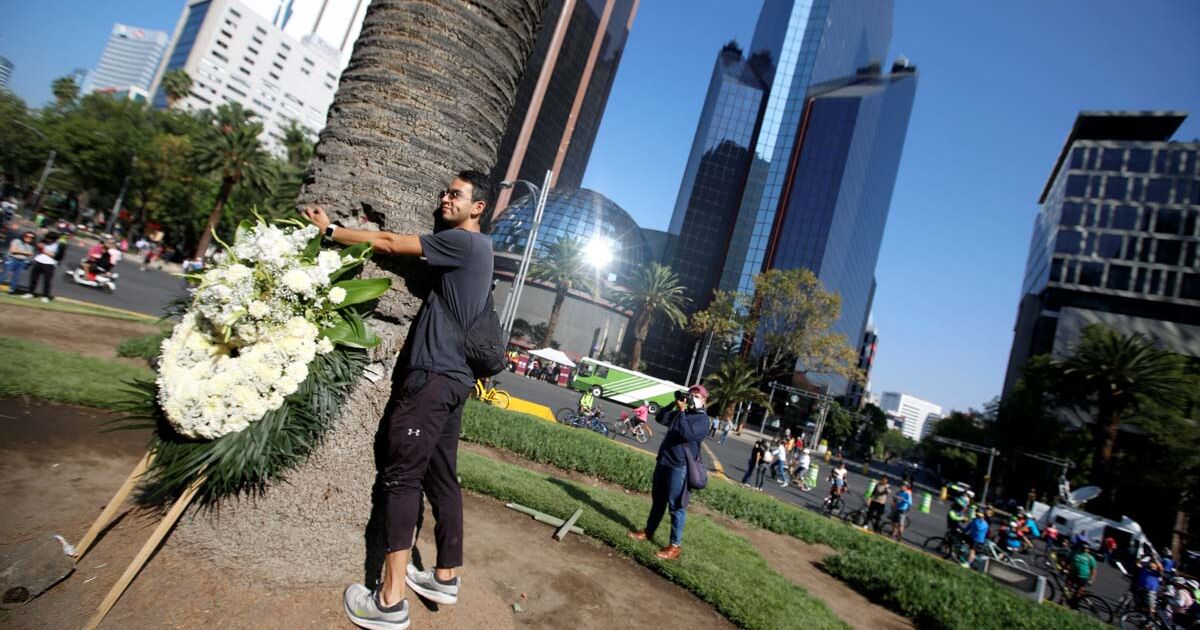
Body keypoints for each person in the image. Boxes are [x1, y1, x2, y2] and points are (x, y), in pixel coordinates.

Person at [304, 171, 495, 630]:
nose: (445, 198)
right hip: (454, 382)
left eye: (456, 194)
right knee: (442, 476)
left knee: (401, 478)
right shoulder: (480, 251)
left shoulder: (464, 243)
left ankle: (389, 600)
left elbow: (388, 243)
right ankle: (445, 576)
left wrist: (331, 230)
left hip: (431, 380)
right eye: (445, 192)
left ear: (479, 208)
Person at [628, 385, 711, 560]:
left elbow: (687, 434)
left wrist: (681, 412)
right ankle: (648, 532)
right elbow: (660, 418)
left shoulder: (702, 421)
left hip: (679, 467)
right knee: (658, 501)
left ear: (704, 400)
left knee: (676, 506)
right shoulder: (683, 413)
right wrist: (673, 405)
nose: (692, 398)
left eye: (696, 396)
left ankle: (675, 546)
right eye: (690, 395)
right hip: (664, 461)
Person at [21, 232, 59, 302]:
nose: (48, 240)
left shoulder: (57, 245)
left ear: (54, 239)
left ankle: (45, 296)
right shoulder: (43, 241)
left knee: (47, 281)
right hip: (38, 261)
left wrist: (43, 249)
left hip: (49, 264)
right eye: (47, 238)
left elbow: (53, 255)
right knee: (33, 278)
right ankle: (30, 293)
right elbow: (36, 248)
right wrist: (39, 247)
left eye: (50, 239)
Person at [1064, 539, 1097, 606]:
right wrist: (1064, 568)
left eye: (1087, 548)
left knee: (1078, 591)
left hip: (1083, 577)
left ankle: (1074, 604)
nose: (1086, 550)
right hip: (1073, 574)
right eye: (1084, 548)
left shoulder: (1090, 557)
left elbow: (1094, 570)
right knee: (1067, 588)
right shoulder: (1074, 553)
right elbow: (1067, 562)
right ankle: (1063, 601)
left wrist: (1091, 580)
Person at [1133, 554, 1164, 619]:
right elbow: (1137, 563)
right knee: (1140, 604)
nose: (1151, 564)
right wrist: (1145, 558)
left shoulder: (1156, 573)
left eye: (1153, 563)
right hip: (1140, 588)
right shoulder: (1144, 568)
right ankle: (1140, 617)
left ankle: (1150, 621)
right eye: (1151, 562)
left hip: (1150, 591)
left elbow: (1161, 570)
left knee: (1150, 607)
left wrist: (1156, 560)